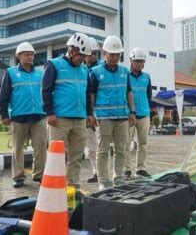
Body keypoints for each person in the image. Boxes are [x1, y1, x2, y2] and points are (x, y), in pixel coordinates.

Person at [42, 33, 95, 194]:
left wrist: (89, 113)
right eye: (81, 56)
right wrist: (49, 113)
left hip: (79, 119)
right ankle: (54, 186)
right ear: (71, 50)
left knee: (76, 155)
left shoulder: (84, 69)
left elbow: (86, 94)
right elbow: (45, 90)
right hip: (59, 119)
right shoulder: (54, 65)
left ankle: (73, 186)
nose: (83, 60)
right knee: (56, 156)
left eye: (85, 56)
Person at [0, 42, 47, 188]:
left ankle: (39, 175)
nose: (30, 56)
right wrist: (4, 114)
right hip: (19, 117)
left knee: (41, 147)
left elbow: (46, 93)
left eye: (32, 54)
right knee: (17, 148)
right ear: (18, 56)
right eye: (27, 54)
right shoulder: (11, 73)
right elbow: (4, 95)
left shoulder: (40, 73)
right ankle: (18, 177)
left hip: (39, 116)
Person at [90, 36, 136, 190]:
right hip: (103, 117)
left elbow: (129, 92)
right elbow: (92, 94)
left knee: (121, 149)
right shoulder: (95, 72)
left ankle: (119, 178)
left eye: (118, 54)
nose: (115, 57)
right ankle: (103, 180)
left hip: (122, 116)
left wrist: (132, 112)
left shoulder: (124, 71)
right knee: (102, 150)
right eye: (112, 54)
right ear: (104, 54)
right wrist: (92, 114)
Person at [124, 47, 153, 178]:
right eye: (138, 61)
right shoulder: (125, 75)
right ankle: (126, 169)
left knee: (143, 143)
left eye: (142, 61)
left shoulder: (147, 77)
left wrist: (146, 109)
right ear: (131, 61)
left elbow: (148, 95)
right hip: (129, 115)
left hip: (143, 114)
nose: (140, 64)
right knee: (126, 143)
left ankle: (140, 168)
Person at [85, 37, 102, 183]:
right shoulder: (78, 68)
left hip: (98, 112)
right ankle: (95, 170)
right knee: (90, 145)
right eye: (90, 53)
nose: (93, 56)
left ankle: (99, 171)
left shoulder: (101, 68)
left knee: (97, 143)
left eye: (95, 53)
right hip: (80, 112)